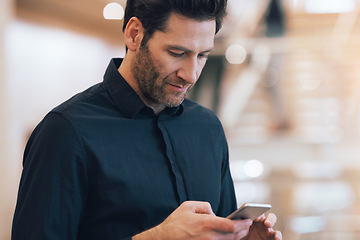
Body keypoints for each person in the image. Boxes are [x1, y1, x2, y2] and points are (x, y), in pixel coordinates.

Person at [12, 0, 282, 239]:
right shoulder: (65, 133)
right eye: (177, 53)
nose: (191, 74)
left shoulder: (208, 128)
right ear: (134, 34)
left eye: (202, 56)